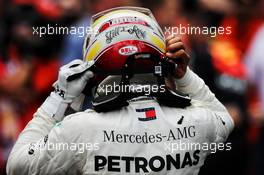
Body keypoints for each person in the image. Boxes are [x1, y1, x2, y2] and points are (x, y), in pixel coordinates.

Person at [6, 7, 234, 175]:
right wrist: (183, 74)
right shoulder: (196, 123)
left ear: (96, 64)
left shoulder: (80, 129)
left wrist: (61, 96)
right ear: (159, 54)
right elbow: (225, 120)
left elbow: (17, 165)